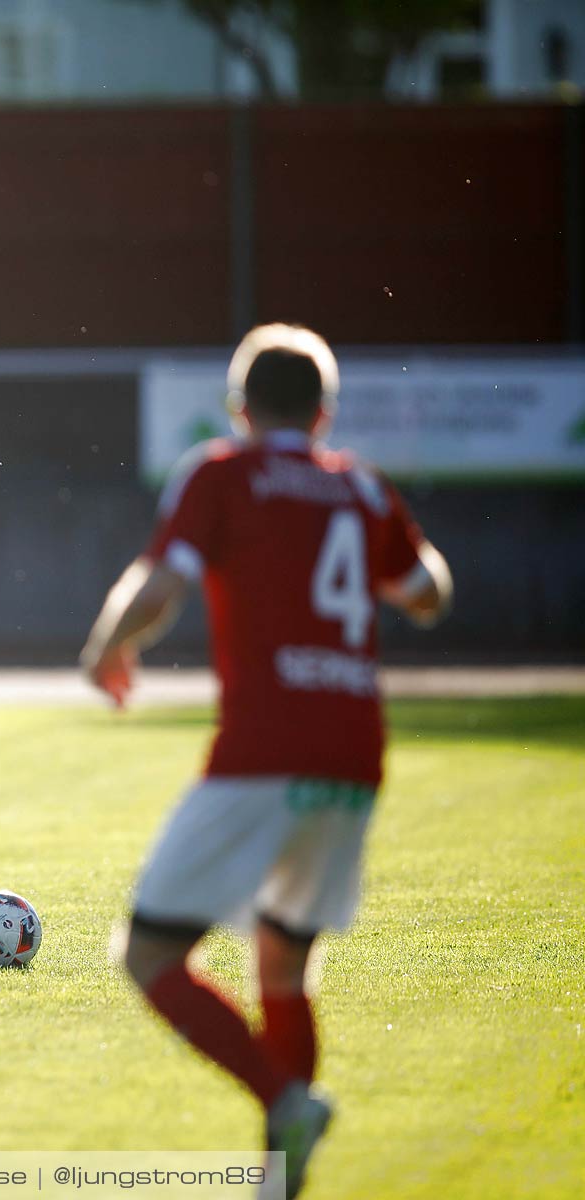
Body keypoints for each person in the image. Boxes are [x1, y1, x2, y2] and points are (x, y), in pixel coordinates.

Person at [78, 324, 453, 1200]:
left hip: (261, 752)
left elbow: (162, 582)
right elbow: (429, 592)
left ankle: (284, 1098)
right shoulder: (359, 484)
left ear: (240, 407)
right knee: (283, 969)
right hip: (355, 753)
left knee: (148, 955)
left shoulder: (222, 471)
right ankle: (281, 1178)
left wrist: (106, 645)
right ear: (323, 414)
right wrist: (386, 567)